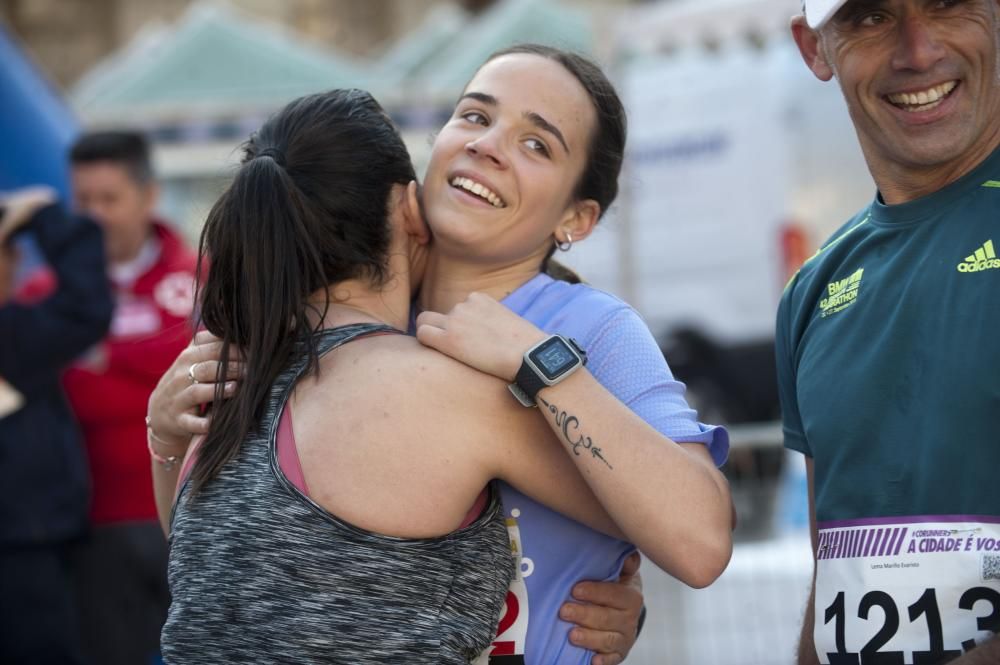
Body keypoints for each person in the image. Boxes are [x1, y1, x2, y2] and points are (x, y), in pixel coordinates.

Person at [150, 45, 734, 665]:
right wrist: (163, 436)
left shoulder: (594, 328)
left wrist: (545, 367)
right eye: (476, 117)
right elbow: (229, 552)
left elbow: (696, 542)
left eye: (538, 144)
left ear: (577, 218)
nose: (488, 145)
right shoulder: (343, 314)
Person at [779, 1, 1000, 663]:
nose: (918, 50)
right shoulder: (813, 287)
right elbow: (836, 576)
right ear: (815, 49)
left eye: (948, 3)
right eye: (870, 16)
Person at [61, 130, 197, 665]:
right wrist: (158, 362)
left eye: (109, 199)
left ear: (148, 196)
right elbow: (62, 392)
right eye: (83, 200)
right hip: (95, 527)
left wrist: (104, 355)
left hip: (190, 516)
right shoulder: (48, 290)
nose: (94, 215)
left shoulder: (205, 279)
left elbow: (212, 366)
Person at [0, 187, 113, 664]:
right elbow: (85, 306)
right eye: (8, 251)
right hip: (25, 541)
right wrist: (45, 218)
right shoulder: (12, 337)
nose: (14, 264)